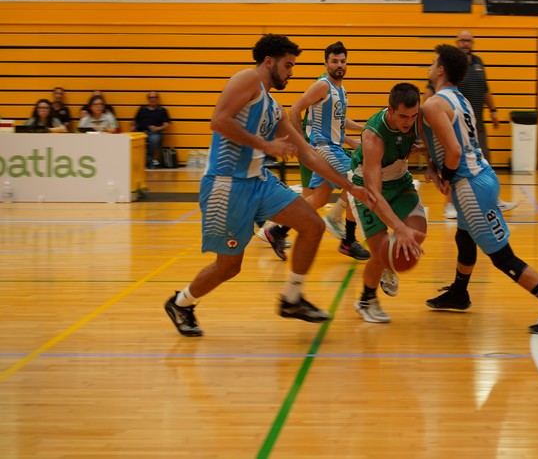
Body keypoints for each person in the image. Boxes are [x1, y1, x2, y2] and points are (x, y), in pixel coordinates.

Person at [163, 34, 422, 337]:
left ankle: (292, 298)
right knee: (229, 267)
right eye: (288, 66)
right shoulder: (248, 79)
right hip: (227, 185)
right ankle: (181, 303)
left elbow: (308, 153)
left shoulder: (273, 107)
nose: (291, 72)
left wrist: (349, 187)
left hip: (259, 182)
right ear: (269, 62)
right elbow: (219, 120)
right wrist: (264, 144)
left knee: (313, 225)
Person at [422, 44, 538, 334]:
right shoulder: (461, 100)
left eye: (433, 63)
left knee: (502, 256)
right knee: (464, 237)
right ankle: (459, 292)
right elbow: (452, 143)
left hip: (469, 187)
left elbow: (453, 151)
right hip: (483, 175)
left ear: (441, 70)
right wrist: (435, 163)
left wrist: (444, 177)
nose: (429, 67)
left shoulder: (433, 104)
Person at [260, 42, 370, 262]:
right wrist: (302, 144)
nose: (339, 65)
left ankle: (277, 231)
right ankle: (348, 240)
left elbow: (339, 121)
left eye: (343, 61)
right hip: (324, 148)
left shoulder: (341, 89)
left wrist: (363, 129)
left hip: (333, 147)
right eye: (334, 61)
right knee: (359, 180)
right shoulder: (322, 85)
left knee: (317, 199)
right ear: (326, 62)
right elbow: (295, 109)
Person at [350, 83, 427, 323]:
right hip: (367, 186)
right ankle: (366, 300)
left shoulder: (418, 120)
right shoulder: (374, 135)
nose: (408, 122)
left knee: (417, 234)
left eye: (413, 116)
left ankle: (390, 260)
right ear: (390, 110)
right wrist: (398, 227)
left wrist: (431, 161)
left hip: (400, 180)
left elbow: (436, 146)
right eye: (403, 116)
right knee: (382, 251)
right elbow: (374, 192)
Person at [427, 31, 517, 219]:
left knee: (475, 159)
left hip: (472, 120)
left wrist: (493, 110)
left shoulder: (478, 63)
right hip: (452, 119)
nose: (466, 43)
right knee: (454, 160)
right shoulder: (447, 75)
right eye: (462, 40)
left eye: (469, 40)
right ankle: (450, 203)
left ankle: (490, 199)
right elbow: (428, 95)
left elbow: (486, 89)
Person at [133, 91, 171, 168]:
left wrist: (157, 128)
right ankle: (149, 161)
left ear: (158, 98)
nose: (152, 99)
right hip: (141, 133)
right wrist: (133, 128)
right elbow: (134, 122)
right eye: (151, 97)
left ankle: (148, 160)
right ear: (148, 99)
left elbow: (167, 125)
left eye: (154, 97)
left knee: (155, 139)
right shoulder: (142, 109)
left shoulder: (162, 110)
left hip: (154, 133)